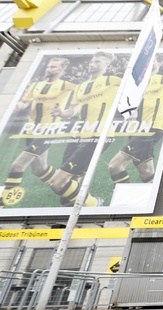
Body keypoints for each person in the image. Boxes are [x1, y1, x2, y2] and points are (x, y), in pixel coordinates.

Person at [0, 58, 76, 208]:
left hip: (48, 130)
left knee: (17, 165)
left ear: (62, 70)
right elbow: (24, 102)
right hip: (31, 131)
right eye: (48, 66)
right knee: (39, 169)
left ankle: (2, 205)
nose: (49, 69)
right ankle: (73, 194)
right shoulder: (36, 85)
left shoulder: (66, 85)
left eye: (53, 67)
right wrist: (16, 106)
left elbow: (85, 91)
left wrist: (67, 111)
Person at [49, 51, 121, 207]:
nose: (92, 64)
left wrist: (132, 110)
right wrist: (61, 112)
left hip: (98, 136)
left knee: (57, 182)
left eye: (97, 62)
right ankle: (69, 218)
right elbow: (72, 110)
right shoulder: (81, 87)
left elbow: (136, 86)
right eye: (92, 61)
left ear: (107, 65)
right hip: (77, 137)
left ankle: (95, 204)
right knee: (71, 182)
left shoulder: (112, 81)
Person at [108, 56, 163, 184]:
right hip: (136, 129)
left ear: (160, 63)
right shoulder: (137, 83)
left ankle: (125, 199)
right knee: (145, 171)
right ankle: (153, 198)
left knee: (115, 165)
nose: (151, 62)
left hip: (152, 128)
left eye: (154, 60)